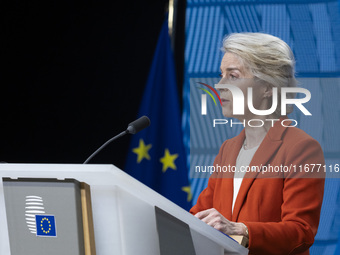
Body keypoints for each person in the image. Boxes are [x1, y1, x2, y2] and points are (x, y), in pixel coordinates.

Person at [190, 33, 325, 255]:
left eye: (233, 76)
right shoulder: (228, 149)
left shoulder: (301, 148)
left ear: (268, 87)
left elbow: (301, 232)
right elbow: (199, 216)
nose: (220, 85)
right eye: (221, 75)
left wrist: (240, 230)